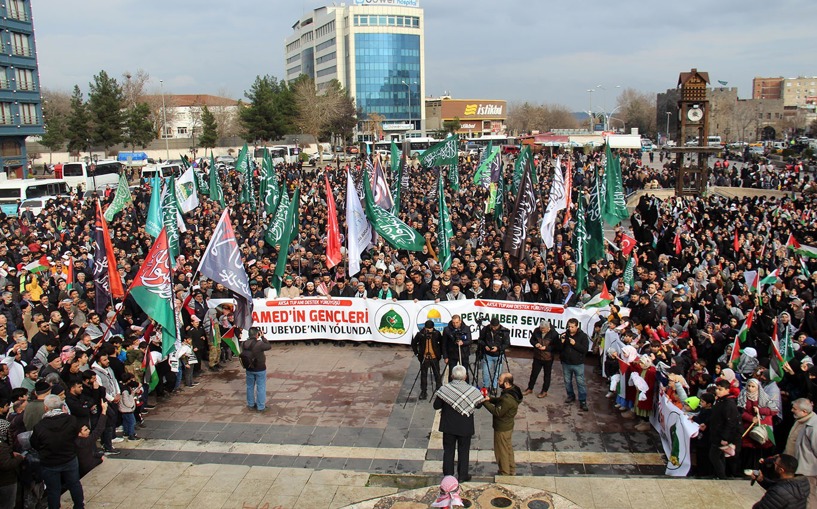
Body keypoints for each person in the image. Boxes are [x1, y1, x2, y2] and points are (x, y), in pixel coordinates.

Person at [31, 394, 84, 509]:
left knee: (53, 490)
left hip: (49, 462)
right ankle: (79, 506)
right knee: (74, 484)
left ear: (46, 408)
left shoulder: (39, 426)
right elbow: (75, 435)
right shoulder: (71, 420)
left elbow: (34, 443)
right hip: (69, 458)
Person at [432, 365, 483, 482]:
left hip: (449, 426)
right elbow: (479, 404)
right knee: (464, 452)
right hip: (465, 427)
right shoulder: (472, 390)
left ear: (452, 376)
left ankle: (448, 476)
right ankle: (462, 476)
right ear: (465, 377)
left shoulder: (445, 390)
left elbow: (436, 406)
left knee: (448, 451)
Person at [481, 372, 523, 476]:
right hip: (508, 426)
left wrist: (485, 402)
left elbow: (497, 412)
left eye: (500, 381)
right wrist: (491, 399)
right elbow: (501, 401)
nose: (498, 382)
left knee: (501, 451)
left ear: (506, 383)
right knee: (508, 449)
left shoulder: (507, 399)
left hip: (502, 428)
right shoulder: (512, 392)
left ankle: (504, 471)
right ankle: (511, 469)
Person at [709, 379, 742, 479]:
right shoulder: (720, 401)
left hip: (723, 435)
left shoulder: (729, 404)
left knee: (714, 455)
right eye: (717, 389)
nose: (717, 391)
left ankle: (722, 476)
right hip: (717, 433)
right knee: (719, 456)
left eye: (720, 389)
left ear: (727, 390)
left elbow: (730, 422)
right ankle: (719, 475)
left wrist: (725, 437)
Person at [559, 318, 589, 412]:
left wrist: (575, 344)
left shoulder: (583, 336)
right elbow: (559, 349)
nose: (570, 328)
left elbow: (585, 350)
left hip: (578, 364)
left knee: (580, 383)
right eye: (569, 326)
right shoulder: (565, 335)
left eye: (572, 327)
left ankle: (582, 401)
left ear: (577, 326)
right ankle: (570, 395)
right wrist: (561, 342)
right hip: (566, 363)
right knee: (567, 381)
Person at [525, 319, 558, 398]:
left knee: (547, 375)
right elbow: (532, 340)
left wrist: (546, 348)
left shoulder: (554, 334)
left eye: (544, 330)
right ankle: (530, 388)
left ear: (548, 328)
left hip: (548, 358)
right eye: (541, 329)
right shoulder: (537, 330)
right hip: (537, 357)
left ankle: (544, 391)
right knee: (534, 374)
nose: (542, 331)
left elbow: (557, 347)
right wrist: (535, 344)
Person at [242, 327, 271, 412]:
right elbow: (269, 346)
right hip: (260, 368)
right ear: (257, 334)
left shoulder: (243, 343)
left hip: (249, 368)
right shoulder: (259, 344)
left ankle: (251, 404)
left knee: (250, 387)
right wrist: (263, 337)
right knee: (261, 387)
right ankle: (261, 406)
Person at [411, 320, 442, 400]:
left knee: (437, 374)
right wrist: (417, 353)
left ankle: (439, 390)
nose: (429, 331)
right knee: (423, 375)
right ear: (425, 328)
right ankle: (423, 392)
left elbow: (441, 343)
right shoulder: (420, 334)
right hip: (424, 357)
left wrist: (440, 353)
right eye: (428, 329)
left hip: (434, 357)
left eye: (431, 329)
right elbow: (414, 343)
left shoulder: (437, 333)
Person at [785, 398, 817, 476]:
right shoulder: (799, 421)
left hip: (807, 473)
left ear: (804, 411)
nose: (792, 410)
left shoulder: (813, 426)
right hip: (793, 468)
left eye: (794, 409)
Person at [478, 318, 509, 393]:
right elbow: (480, 340)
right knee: (485, 372)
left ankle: (495, 387)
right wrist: (485, 345)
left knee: (497, 373)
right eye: (493, 326)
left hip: (498, 355)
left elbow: (507, 344)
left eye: (496, 327)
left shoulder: (504, 331)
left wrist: (498, 348)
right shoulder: (486, 329)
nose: (494, 328)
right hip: (487, 354)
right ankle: (486, 386)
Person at [0, 418, 23, 509]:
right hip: (6, 482)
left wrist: (10, 454)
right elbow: (6, 464)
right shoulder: (2, 446)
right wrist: (19, 458)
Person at [442, 315, 472, 381]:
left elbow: (469, 341)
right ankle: (451, 385)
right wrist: (445, 356)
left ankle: (466, 385)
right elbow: (444, 344)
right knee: (452, 373)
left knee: (465, 372)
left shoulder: (466, 328)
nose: (455, 324)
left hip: (464, 353)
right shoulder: (447, 329)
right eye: (453, 323)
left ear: (460, 321)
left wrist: (463, 342)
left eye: (457, 322)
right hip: (452, 354)